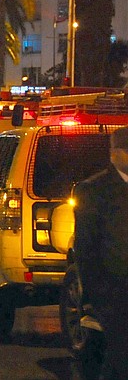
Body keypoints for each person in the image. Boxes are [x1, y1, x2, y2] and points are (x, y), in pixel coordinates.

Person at [72, 126, 128, 380]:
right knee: (121, 353)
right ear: (114, 153)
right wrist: (96, 293)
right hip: (114, 291)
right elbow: (86, 248)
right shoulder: (94, 190)